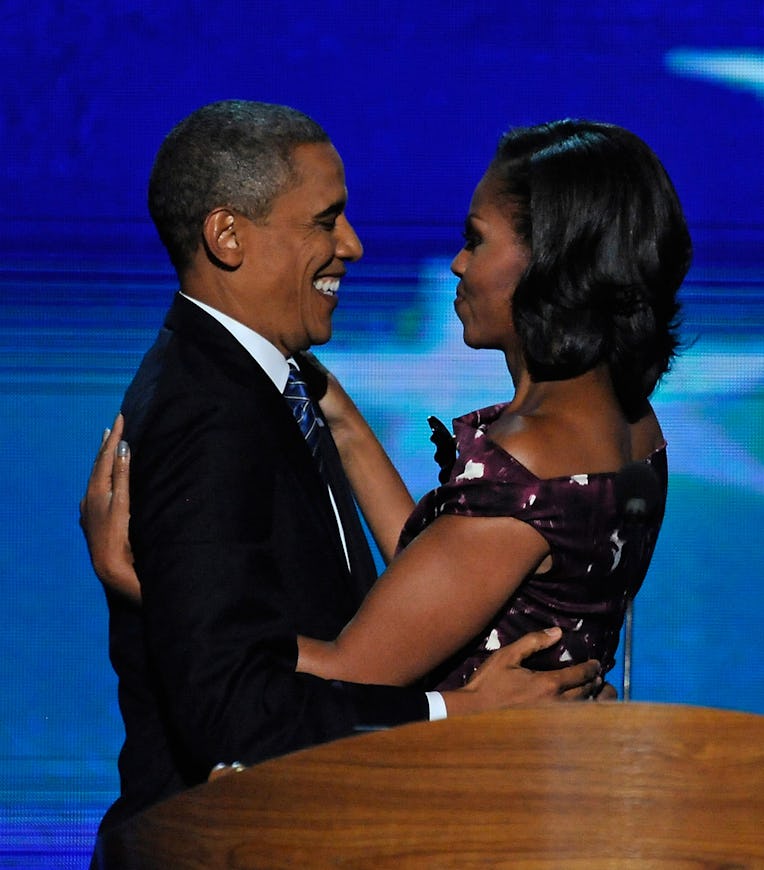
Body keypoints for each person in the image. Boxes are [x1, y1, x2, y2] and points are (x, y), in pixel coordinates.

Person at [81, 101, 603, 838]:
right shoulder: (207, 417)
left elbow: (393, 600)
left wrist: (165, 601)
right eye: (325, 222)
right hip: (217, 845)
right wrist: (454, 712)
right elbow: (235, 716)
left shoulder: (279, 385)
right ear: (228, 236)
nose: (352, 245)